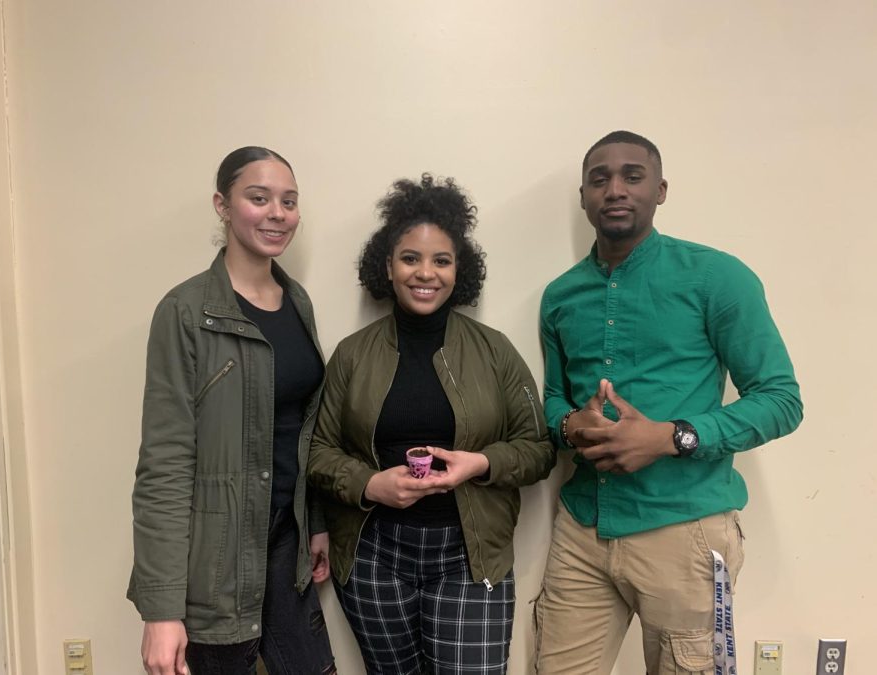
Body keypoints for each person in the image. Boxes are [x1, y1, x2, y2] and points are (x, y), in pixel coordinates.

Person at [534, 131, 803, 675]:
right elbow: (554, 398)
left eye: (632, 176)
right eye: (599, 178)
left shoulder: (717, 277)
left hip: (684, 532)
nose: (615, 189)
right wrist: (569, 425)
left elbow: (781, 400)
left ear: (660, 190)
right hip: (582, 530)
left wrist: (670, 437)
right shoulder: (560, 295)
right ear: (583, 196)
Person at [308, 174, 555, 675]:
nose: (426, 273)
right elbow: (316, 452)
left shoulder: (495, 351)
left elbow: (539, 449)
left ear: (459, 269)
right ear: (388, 266)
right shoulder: (353, 355)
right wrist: (370, 484)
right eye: (410, 258)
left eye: (441, 260)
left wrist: (481, 463)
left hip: (470, 557)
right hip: (374, 557)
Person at [128, 146, 336, 675]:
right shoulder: (185, 312)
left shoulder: (298, 302)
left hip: (286, 552)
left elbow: (300, 430)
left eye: (289, 201)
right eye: (259, 197)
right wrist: (162, 610)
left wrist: (314, 524)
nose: (277, 213)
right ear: (222, 205)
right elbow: (165, 463)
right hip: (217, 569)